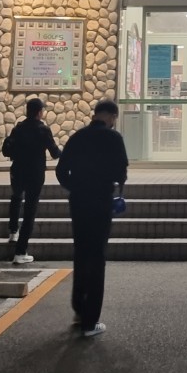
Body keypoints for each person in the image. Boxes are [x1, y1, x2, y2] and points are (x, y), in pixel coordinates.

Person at [55, 99, 129, 338]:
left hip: (78, 201)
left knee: (81, 252)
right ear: (111, 116)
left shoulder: (78, 137)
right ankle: (90, 321)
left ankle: (78, 309)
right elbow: (121, 171)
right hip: (101, 200)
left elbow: (61, 170)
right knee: (97, 256)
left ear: (96, 114)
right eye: (114, 118)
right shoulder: (113, 138)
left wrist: (74, 187)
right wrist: (114, 185)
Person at [3, 97, 61, 265]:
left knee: (16, 197)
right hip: (35, 174)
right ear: (39, 113)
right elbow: (55, 153)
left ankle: (13, 231)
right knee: (30, 211)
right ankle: (20, 252)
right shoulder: (43, 130)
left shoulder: (18, 128)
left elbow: (8, 149)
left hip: (17, 171)